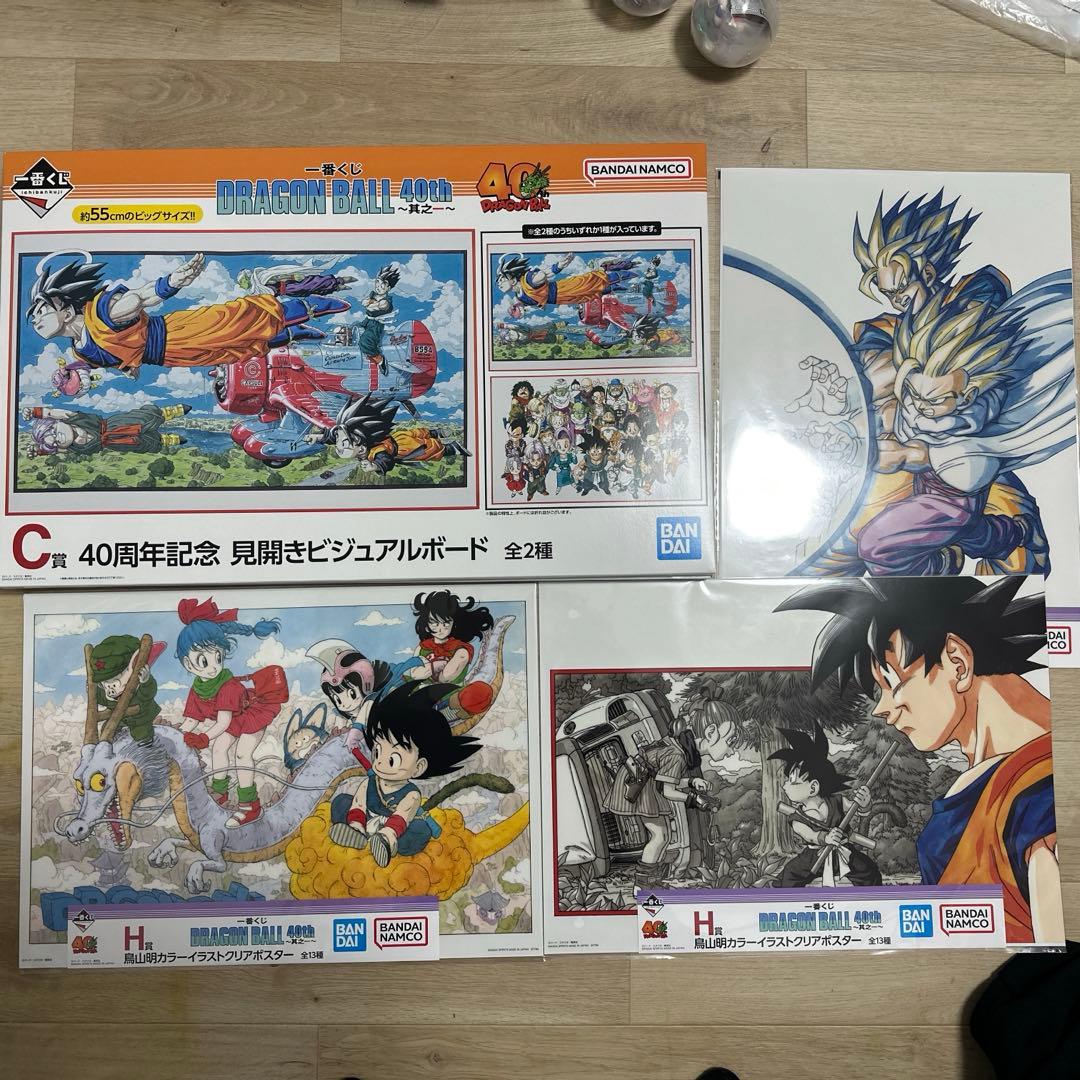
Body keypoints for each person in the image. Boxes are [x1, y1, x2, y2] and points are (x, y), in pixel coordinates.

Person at [777, 576, 1062, 944]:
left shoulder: (1038, 792)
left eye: (893, 682)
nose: (882, 708)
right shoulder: (993, 778)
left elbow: (1054, 939)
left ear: (957, 663)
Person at [25, 251, 349, 376]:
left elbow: (139, 298)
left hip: (181, 331)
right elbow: (119, 357)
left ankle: (320, 300)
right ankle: (298, 331)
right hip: (173, 356)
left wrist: (172, 282)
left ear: (64, 307)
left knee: (248, 319)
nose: (36, 319)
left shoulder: (101, 313)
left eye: (41, 310)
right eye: (33, 316)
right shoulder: (80, 350)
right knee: (242, 348)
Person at [327, 682, 482, 865]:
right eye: (377, 751)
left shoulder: (412, 794)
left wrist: (389, 831)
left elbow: (402, 815)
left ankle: (385, 842)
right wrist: (357, 822)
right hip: (366, 818)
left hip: (395, 828)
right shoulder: (370, 783)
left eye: (393, 759)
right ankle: (356, 833)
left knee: (419, 831)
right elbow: (358, 804)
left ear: (418, 767)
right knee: (341, 802)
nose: (380, 762)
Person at [176, 598, 288, 828]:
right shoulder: (197, 689)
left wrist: (203, 737)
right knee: (219, 748)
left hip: (252, 713)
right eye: (203, 660)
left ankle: (250, 806)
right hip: (233, 720)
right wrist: (177, 737)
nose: (213, 666)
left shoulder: (228, 686)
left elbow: (223, 722)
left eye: (217, 657)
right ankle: (221, 793)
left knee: (242, 755)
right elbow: (191, 719)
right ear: (188, 663)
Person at [602, 711, 731, 889]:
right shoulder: (677, 755)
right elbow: (668, 790)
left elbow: (665, 780)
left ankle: (652, 880)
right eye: (729, 741)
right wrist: (695, 800)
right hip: (638, 784)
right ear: (710, 734)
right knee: (659, 836)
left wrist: (692, 781)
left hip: (645, 781)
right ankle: (641, 885)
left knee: (664, 836)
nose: (730, 750)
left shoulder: (675, 747)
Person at [768, 723, 880, 887]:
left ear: (813, 787)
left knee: (869, 871)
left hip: (844, 851)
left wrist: (864, 804)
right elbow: (808, 835)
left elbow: (858, 810)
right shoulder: (797, 817)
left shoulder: (837, 801)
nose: (785, 786)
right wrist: (825, 838)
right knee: (790, 875)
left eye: (792, 782)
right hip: (814, 856)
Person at [24, 403, 189, 457]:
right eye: (54, 440)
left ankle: (170, 412)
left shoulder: (73, 418)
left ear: (58, 421)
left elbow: (51, 412)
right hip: (117, 443)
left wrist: (35, 412)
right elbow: (55, 451)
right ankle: (168, 440)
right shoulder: (73, 448)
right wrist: (39, 451)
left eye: (53, 430)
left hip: (115, 424)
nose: (58, 436)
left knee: (144, 418)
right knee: (145, 444)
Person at [88, 634, 167, 745]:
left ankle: (147, 746)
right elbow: (102, 699)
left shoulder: (139, 683)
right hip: (118, 718)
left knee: (141, 732)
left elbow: (148, 694)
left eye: (115, 679)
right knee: (107, 728)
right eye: (105, 682)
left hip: (140, 717)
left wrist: (145, 681)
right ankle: (112, 746)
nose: (110, 687)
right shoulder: (106, 692)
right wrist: (94, 692)